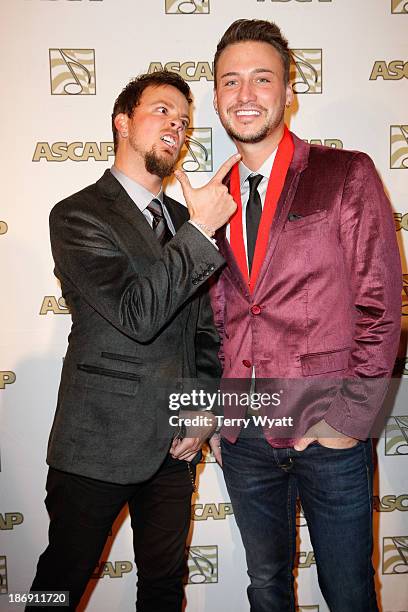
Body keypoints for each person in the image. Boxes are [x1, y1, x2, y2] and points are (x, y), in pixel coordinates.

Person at [207, 19, 402, 612]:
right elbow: (210, 320)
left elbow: (381, 307)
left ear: (288, 92)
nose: (245, 95)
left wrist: (347, 420)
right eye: (230, 82)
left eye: (261, 80)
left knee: (348, 594)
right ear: (216, 96)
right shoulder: (208, 202)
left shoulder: (345, 175)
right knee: (266, 589)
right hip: (244, 438)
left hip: (329, 434)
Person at [28, 70, 238, 611]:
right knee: (58, 586)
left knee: (165, 588)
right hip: (98, 442)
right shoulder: (77, 214)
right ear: (123, 121)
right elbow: (136, 313)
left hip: (175, 445)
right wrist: (200, 232)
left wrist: (201, 408)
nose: (177, 125)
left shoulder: (180, 219)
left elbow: (203, 329)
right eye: (163, 111)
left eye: (185, 121)